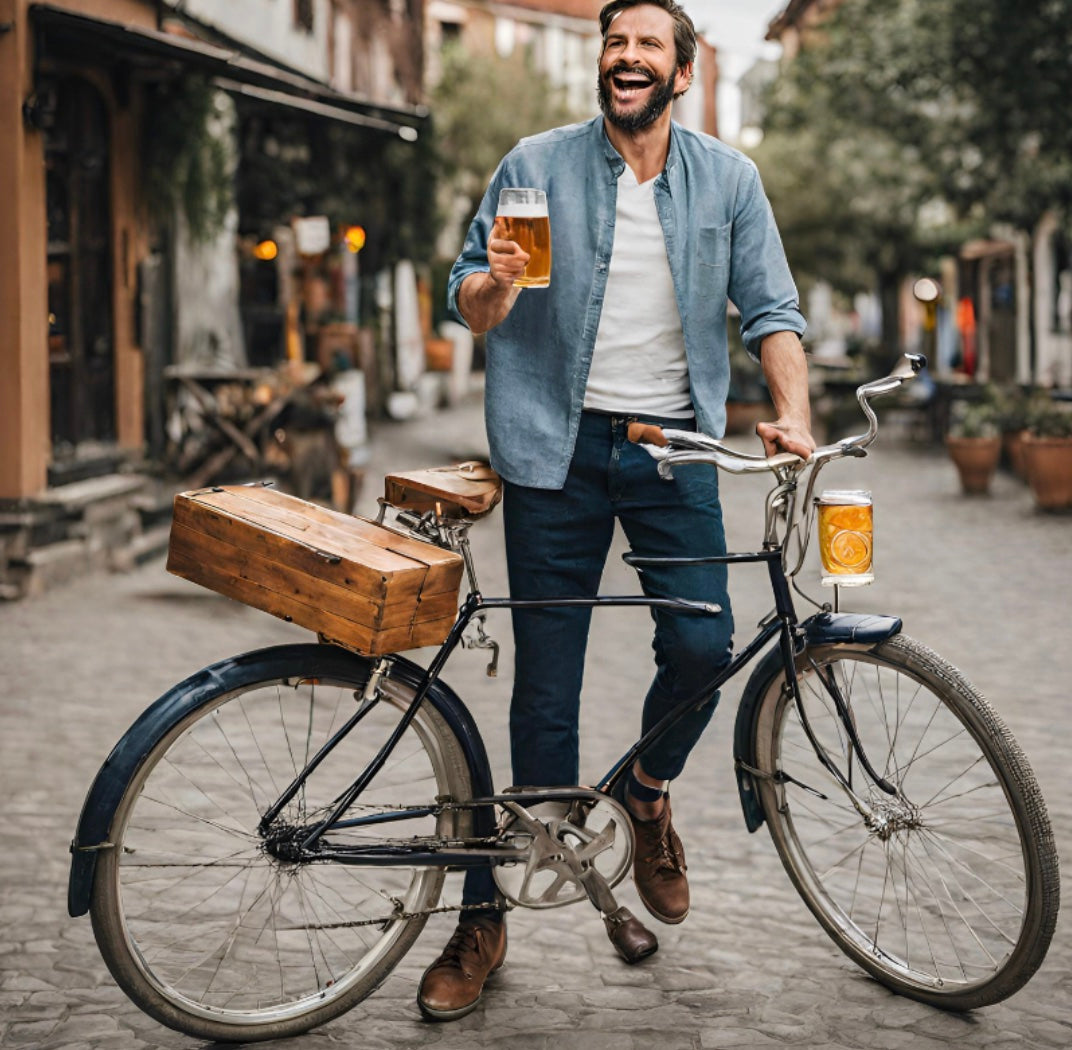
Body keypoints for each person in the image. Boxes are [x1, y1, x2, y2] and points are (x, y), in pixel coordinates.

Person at [417, 0, 815, 1021]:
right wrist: (495, 288)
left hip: (670, 448)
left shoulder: (728, 181)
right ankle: (486, 916)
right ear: (602, 66)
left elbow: (771, 309)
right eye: (614, 42)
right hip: (554, 447)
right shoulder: (534, 166)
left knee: (703, 646)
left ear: (680, 72)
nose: (626, 57)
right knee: (542, 699)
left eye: (647, 44)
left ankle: (644, 791)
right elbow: (461, 292)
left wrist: (794, 414)